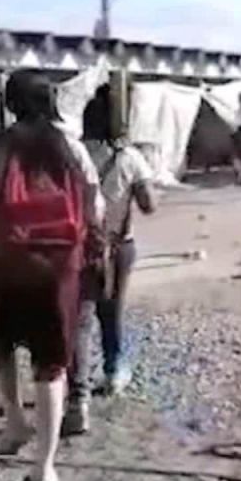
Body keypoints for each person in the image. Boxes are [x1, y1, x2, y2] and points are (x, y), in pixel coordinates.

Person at [0, 71, 103, 481]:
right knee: (51, 365)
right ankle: (44, 469)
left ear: (10, 102)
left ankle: (14, 418)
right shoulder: (70, 147)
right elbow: (95, 205)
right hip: (58, 268)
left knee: (3, 344)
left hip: (3, 262)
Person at [65, 86, 156, 435]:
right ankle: (114, 371)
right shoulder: (130, 158)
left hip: (78, 245)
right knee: (112, 311)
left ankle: (79, 393)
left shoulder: (74, 153)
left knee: (81, 317)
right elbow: (149, 205)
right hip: (118, 245)